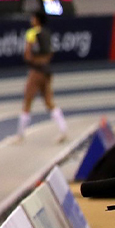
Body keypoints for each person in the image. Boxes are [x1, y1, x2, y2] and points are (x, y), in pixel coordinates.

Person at [18, 11, 67, 143]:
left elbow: (27, 53)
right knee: (49, 101)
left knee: (27, 100)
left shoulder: (32, 33)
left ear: (37, 20)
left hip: (36, 71)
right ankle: (63, 130)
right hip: (47, 70)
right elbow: (50, 53)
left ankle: (20, 135)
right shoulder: (47, 33)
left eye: (33, 18)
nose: (31, 20)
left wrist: (31, 61)